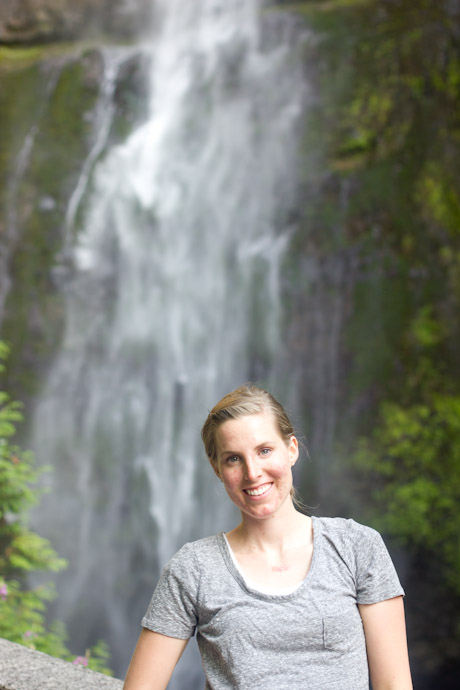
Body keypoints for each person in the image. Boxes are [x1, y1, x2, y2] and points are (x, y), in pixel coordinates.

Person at [124, 384, 413, 690]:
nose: (252, 473)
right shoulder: (193, 569)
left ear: (291, 449)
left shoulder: (356, 546)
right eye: (233, 459)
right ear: (217, 468)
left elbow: (394, 683)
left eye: (264, 450)